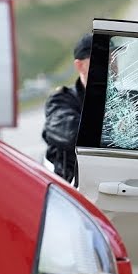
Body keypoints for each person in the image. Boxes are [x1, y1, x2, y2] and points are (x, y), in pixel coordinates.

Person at [42, 32, 93, 184]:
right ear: (80, 65)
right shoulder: (61, 100)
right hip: (71, 191)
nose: (111, 65)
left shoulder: (130, 98)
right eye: (102, 59)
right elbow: (70, 133)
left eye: (113, 58)